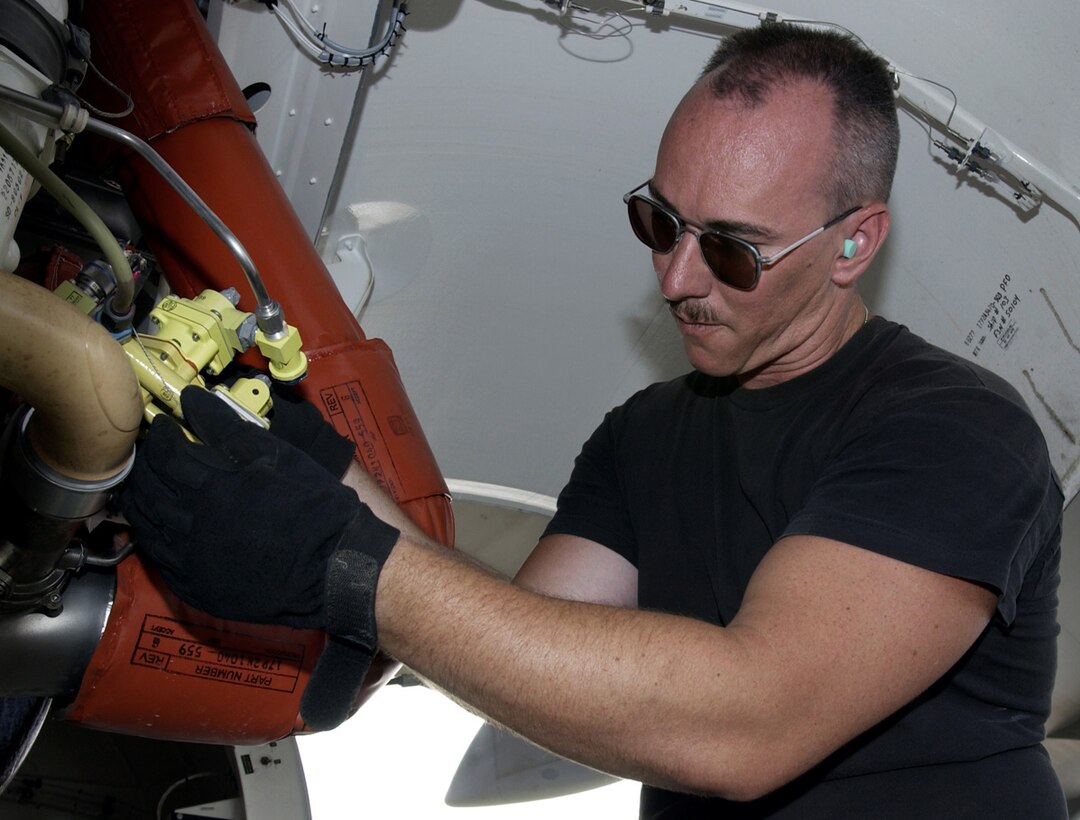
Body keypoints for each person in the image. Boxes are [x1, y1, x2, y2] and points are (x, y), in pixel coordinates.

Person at [122, 23, 1066, 819]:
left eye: (735, 252)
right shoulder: (644, 434)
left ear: (855, 241)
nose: (676, 278)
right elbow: (519, 645)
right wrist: (321, 468)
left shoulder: (956, 431)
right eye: (660, 222)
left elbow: (748, 720)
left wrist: (345, 564)